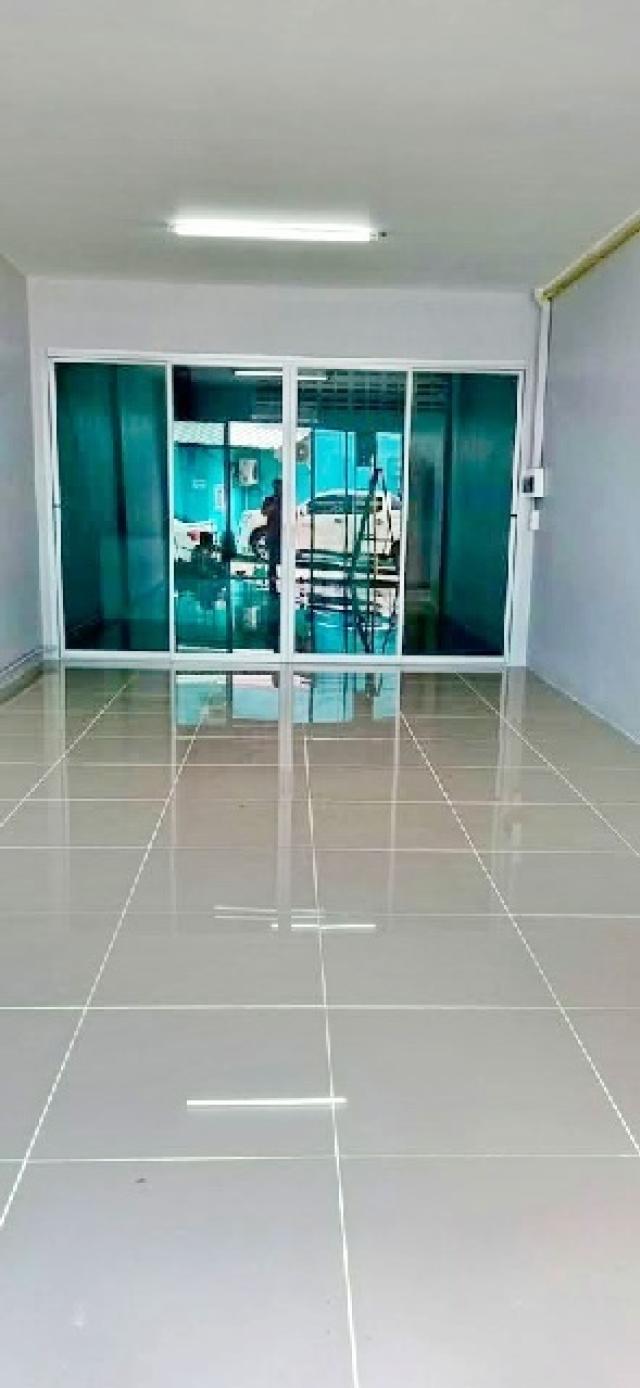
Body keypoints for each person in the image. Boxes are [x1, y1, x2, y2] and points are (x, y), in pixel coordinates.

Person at [261, 478, 282, 595]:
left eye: (279, 486)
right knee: (272, 555)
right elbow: (264, 512)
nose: (278, 489)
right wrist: (273, 506)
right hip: (273, 531)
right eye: (276, 487)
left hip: (284, 532)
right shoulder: (269, 500)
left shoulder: (287, 500)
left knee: (283, 554)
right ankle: (272, 576)